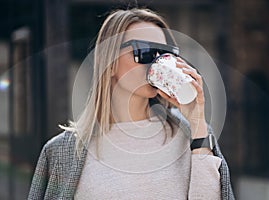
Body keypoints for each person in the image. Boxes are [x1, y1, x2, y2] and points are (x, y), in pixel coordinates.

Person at [28, 8, 235, 200]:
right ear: (108, 63)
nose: (156, 62)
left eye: (165, 53)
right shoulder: (61, 152)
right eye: (144, 51)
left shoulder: (193, 137)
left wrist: (197, 123)